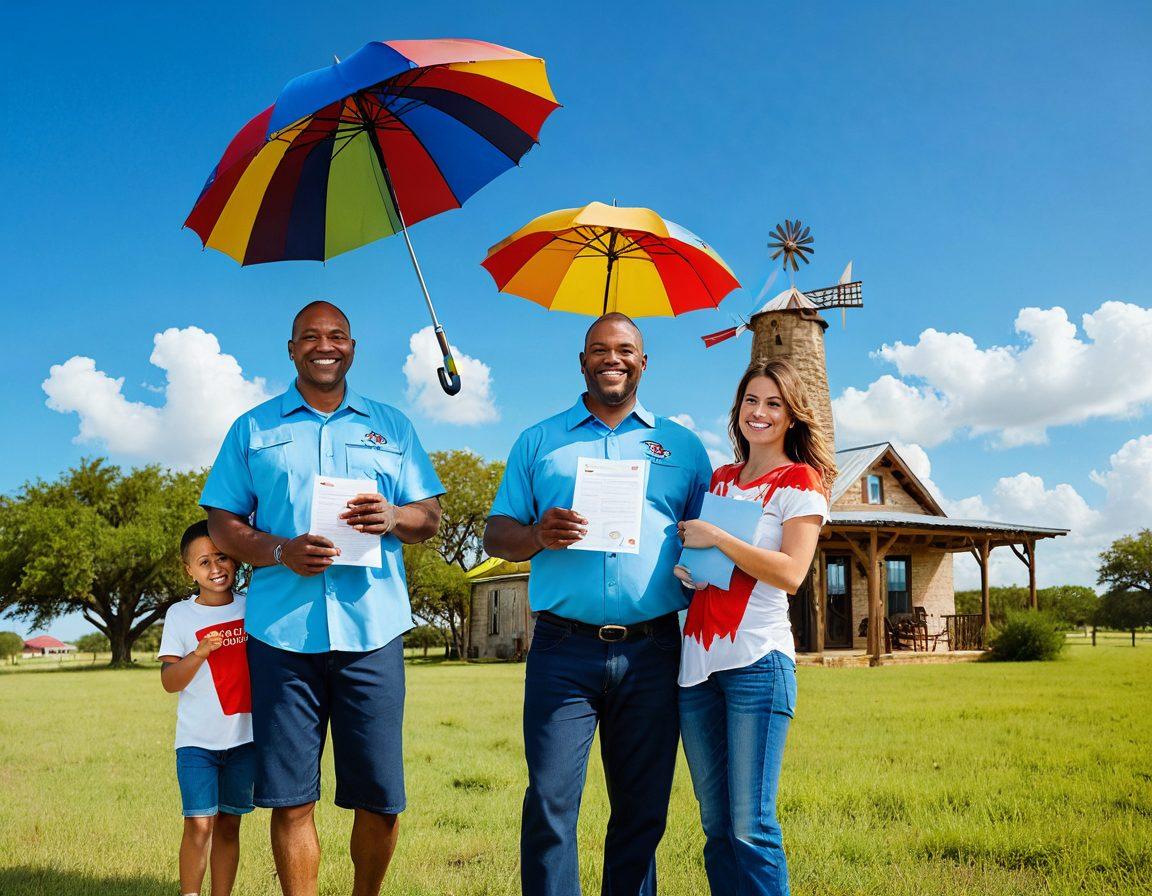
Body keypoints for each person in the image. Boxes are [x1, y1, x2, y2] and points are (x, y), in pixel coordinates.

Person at [200, 301, 443, 896]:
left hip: (373, 633)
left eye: (336, 335)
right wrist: (281, 550)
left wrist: (392, 516)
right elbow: (222, 522)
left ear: (353, 348)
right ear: (291, 349)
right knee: (291, 801)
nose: (324, 345)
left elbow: (430, 517)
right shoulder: (252, 428)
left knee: (382, 801)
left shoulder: (394, 426)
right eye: (310, 336)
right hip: (282, 634)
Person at [484, 312, 713, 896]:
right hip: (564, 649)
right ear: (582, 361)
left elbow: (707, 534)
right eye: (599, 349)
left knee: (642, 812)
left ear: (643, 361)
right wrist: (537, 533)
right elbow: (496, 533)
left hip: (654, 649)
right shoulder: (539, 441)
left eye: (625, 349)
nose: (612, 358)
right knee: (551, 807)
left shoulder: (682, 446)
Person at [675, 359, 835, 896]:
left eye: (773, 403)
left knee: (752, 826)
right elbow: (716, 569)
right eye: (751, 401)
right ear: (738, 409)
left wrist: (717, 539)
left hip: (757, 663)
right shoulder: (722, 478)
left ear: (791, 416)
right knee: (716, 827)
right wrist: (691, 570)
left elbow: (791, 573)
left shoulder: (801, 481)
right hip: (697, 666)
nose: (759, 413)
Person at [158, 520, 254, 896]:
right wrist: (199, 653)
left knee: (230, 825)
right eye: (203, 562)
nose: (216, 568)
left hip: (245, 740)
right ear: (189, 570)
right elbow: (169, 681)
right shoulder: (181, 616)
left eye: (222, 557)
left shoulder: (252, 607)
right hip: (197, 743)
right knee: (199, 824)